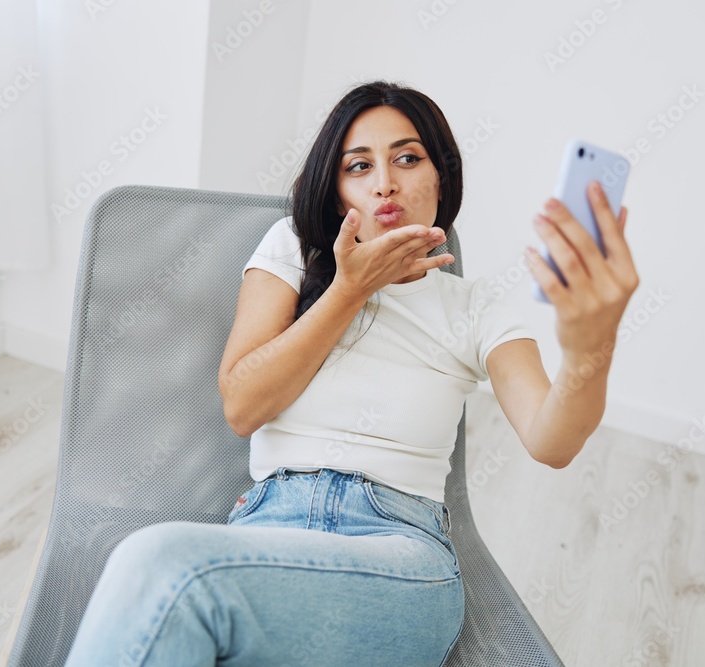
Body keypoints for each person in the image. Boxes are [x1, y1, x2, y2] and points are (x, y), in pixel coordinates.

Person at [63, 79, 638, 667]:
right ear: (338, 196)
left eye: (407, 158)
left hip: (398, 556)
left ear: (441, 176)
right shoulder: (291, 250)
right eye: (358, 166)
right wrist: (348, 292)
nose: (384, 181)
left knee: (158, 564)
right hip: (266, 536)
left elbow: (553, 440)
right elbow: (242, 405)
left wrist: (593, 345)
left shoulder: (476, 307)